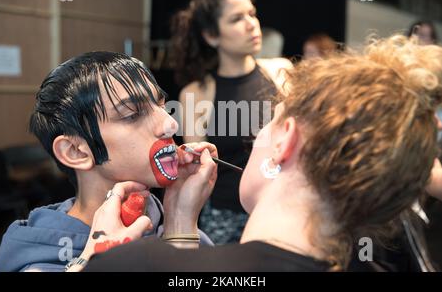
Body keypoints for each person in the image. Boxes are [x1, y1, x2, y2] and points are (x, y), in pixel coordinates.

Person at [78, 34, 442, 271]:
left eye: (267, 125)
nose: (168, 125)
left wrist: (98, 257)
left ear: (284, 142)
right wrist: (181, 224)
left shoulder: (131, 263)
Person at [0, 52, 216, 272]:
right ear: (75, 151)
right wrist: (94, 262)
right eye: (132, 115)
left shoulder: (170, 225)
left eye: (162, 106)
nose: (170, 124)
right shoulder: (41, 261)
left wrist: (181, 224)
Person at [171, 0, 293, 244]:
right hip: (224, 219)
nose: (252, 23)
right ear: (211, 35)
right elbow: (198, 170)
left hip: (281, 207)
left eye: (252, 13)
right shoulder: (196, 93)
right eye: (237, 18)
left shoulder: (281, 72)